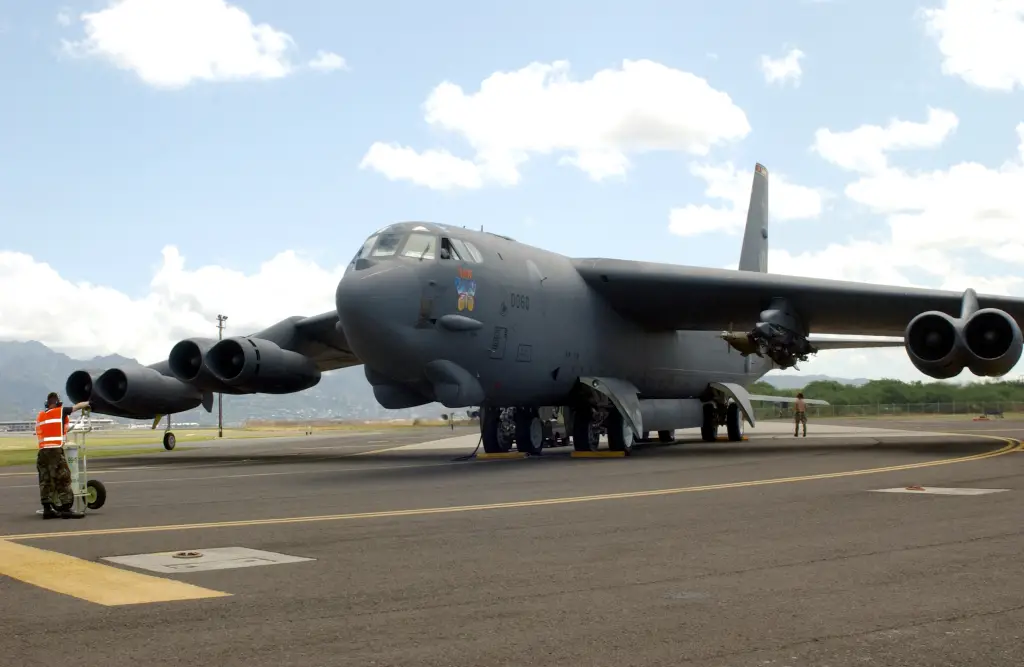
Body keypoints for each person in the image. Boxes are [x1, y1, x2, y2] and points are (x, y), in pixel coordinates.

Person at [35, 391, 89, 519]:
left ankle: (47, 510)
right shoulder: (60, 411)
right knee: (63, 478)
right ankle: (66, 509)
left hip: (42, 452)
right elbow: (77, 407)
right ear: (58, 403)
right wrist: (89, 403)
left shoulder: (41, 416)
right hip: (55, 451)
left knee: (45, 481)